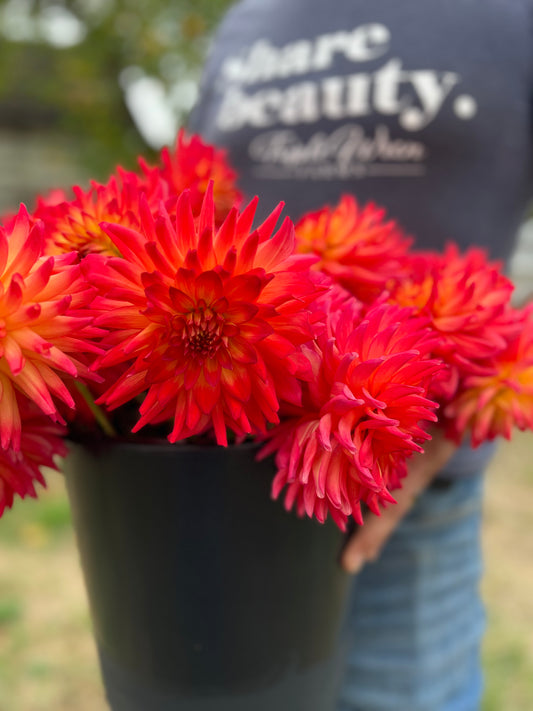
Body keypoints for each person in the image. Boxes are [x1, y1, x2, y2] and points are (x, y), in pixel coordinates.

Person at [188, 1, 533, 708]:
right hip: (210, 487)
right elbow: (192, 203)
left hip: (401, 503)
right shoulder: (246, 22)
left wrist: (450, 404)